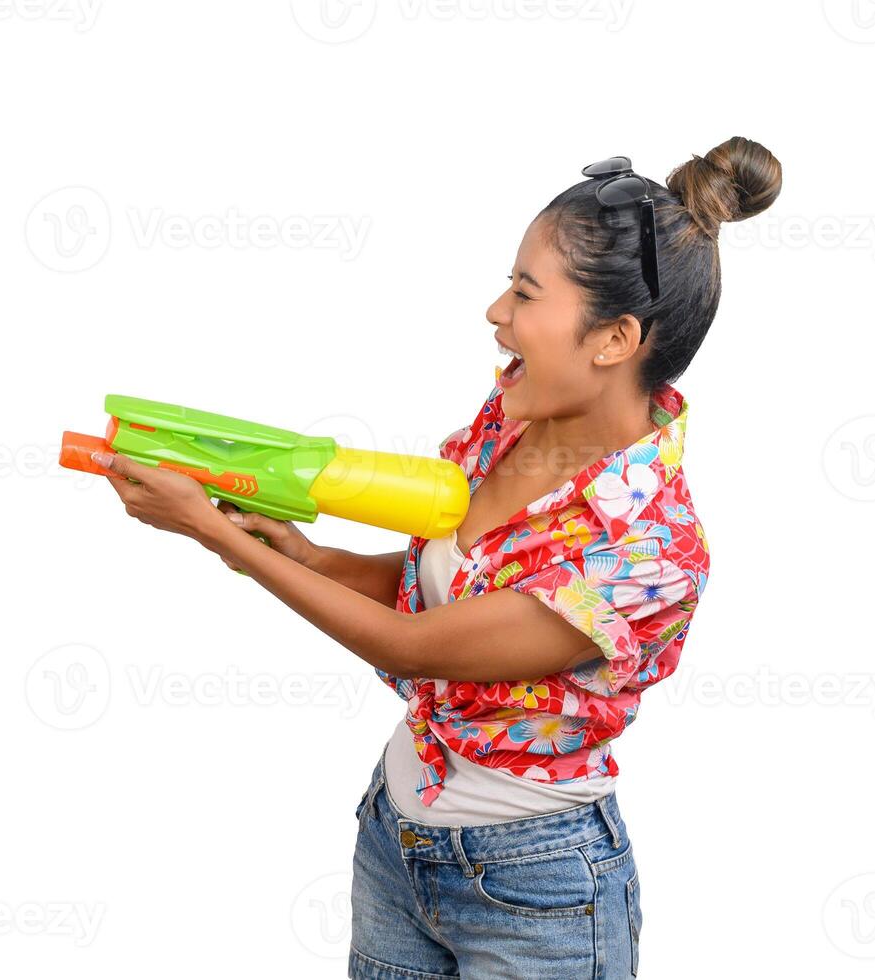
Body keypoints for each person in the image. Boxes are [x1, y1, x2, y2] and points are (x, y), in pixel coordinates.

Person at [89, 137, 780, 978]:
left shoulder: (647, 548)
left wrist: (216, 534)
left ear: (613, 339)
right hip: (396, 841)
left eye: (524, 293)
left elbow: (411, 649)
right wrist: (305, 553)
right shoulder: (512, 423)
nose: (496, 312)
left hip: (537, 891)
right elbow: (432, 599)